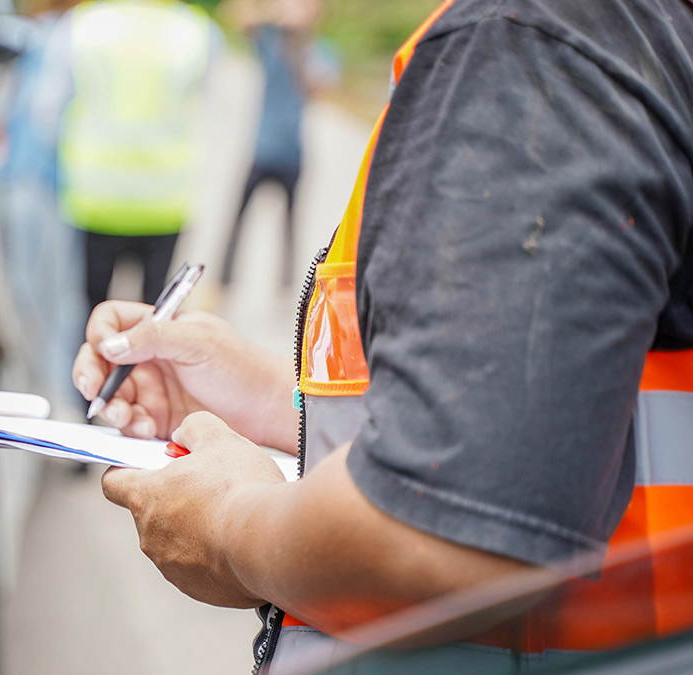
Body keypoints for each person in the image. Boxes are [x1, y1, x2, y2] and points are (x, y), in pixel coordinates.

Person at [71, 0, 693, 671]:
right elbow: (543, 415)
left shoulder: (529, 41)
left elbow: (444, 531)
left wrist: (225, 525)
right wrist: (271, 397)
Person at [34, 0, 221, 309]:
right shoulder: (199, 32)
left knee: (90, 316)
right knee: (156, 315)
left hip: (95, 198)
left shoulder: (82, 26)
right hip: (165, 200)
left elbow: (46, 113)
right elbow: (207, 107)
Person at [220, 0, 318, 290]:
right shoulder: (270, 42)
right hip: (262, 150)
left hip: (294, 154)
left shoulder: (317, 52)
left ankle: (287, 286)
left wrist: (298, 45)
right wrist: (275, 14)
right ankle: (223, 283)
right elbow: (236, 15)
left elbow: (318, 86)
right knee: (236, 223)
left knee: (289, 227)